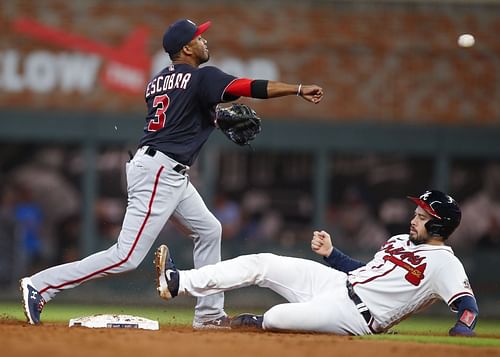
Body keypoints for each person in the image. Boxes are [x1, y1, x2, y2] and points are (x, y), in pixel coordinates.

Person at [20, 18, 324, 327]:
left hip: (167, 171)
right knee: (126, 257)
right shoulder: (201, 78)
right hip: (159, 171)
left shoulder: (156, 83)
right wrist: (296, 89)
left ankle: (208, 316)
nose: (205, 41)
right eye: (199, 38)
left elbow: (180, 120)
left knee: (209, 230)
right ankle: (41, 284)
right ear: (187, 48)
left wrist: (215, 118)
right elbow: (247, 87)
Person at [154, 190, 478, 336]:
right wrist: (331, 255)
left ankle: (254, 324)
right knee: (263, 262)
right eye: (417, 214)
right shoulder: (400, 241)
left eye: (422, 217)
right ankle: (178, 282)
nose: (414, 219)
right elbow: (364, 272)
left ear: (438, 225)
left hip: (355, 316)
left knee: (278, 317)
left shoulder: (445, 265)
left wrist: (463, 328)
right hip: (336, 285)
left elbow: (467, 306)